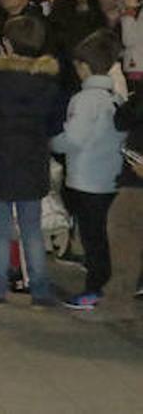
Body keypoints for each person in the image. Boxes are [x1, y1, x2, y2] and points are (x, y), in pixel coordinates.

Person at [0, 15, 67, 306]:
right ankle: (40, 290)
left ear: (5, 44)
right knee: (31, 227)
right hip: (31, 159)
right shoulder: (47, 82)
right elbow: (56, 124)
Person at [51, 30, 127, 310]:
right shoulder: (116, 97)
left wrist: (51, 141)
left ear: (83, 67)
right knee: (106, 237)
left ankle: (95, 290)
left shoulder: (84, 100)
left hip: (86, 179)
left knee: (93, 240)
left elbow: (74, 138)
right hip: (110, 177)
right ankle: (108, 286)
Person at [106, 89, 143, 320]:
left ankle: (118, 302)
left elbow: (122, 119)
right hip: (134, 180)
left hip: (136, 186)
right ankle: (118, 301)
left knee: (123, 237)